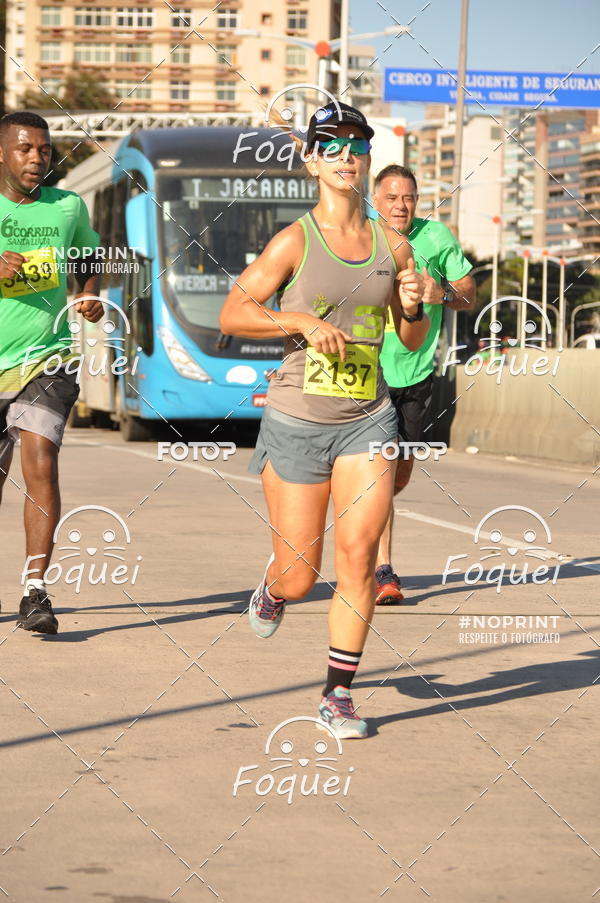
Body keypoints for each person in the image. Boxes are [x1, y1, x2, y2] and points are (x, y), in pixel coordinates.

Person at [219, 103, 428, 739]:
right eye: (331, 146)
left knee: (358, 558)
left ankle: (337, 695)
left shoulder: (394, 244)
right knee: (300, 575)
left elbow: (410, 339)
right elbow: (234, 313)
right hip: (298, 419)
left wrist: (412, 308)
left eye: (356, 146)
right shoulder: (295, 240)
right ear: (311, 161)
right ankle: (273, 588)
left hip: (369, 418)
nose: (346, 156)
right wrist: (300, 322)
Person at [0, 111, 103, 634]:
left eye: (44, 149)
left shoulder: (67, 206)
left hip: (48, 357)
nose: (37, 158)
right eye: (25, 148)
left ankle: (35, 591)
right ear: (2, 153)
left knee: (41, 458)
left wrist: (89, 294)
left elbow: (89, 255)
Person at [370, 164, 476, 604]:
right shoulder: (361, 238)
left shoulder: (436, 238)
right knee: (379, 476)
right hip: (369, 374)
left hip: (416, 376)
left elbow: (469, 293)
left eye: (408, 197)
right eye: (391, 197)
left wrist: (442, 294)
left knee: (398, 476)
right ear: (375, 200)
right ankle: (383, 570)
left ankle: (366, 520)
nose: (400, 205)